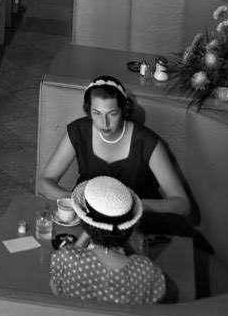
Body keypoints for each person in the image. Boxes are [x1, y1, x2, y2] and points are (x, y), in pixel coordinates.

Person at [38, 75, 190, 231]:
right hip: (90, 221)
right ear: (88, 110)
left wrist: (133, 206)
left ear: (124, 110)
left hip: (135, 225)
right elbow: (45, 182)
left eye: (112, 114)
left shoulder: (146, 141)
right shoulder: (79, 130)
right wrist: (78, 201)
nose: (104, 123)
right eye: (96, 113)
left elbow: (182, 204)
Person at [49, 176, 166, 305]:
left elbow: (57, 291)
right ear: (130, 228)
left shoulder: (66, 258)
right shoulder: (146, 270)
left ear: (85, 224)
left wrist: (83, 238)